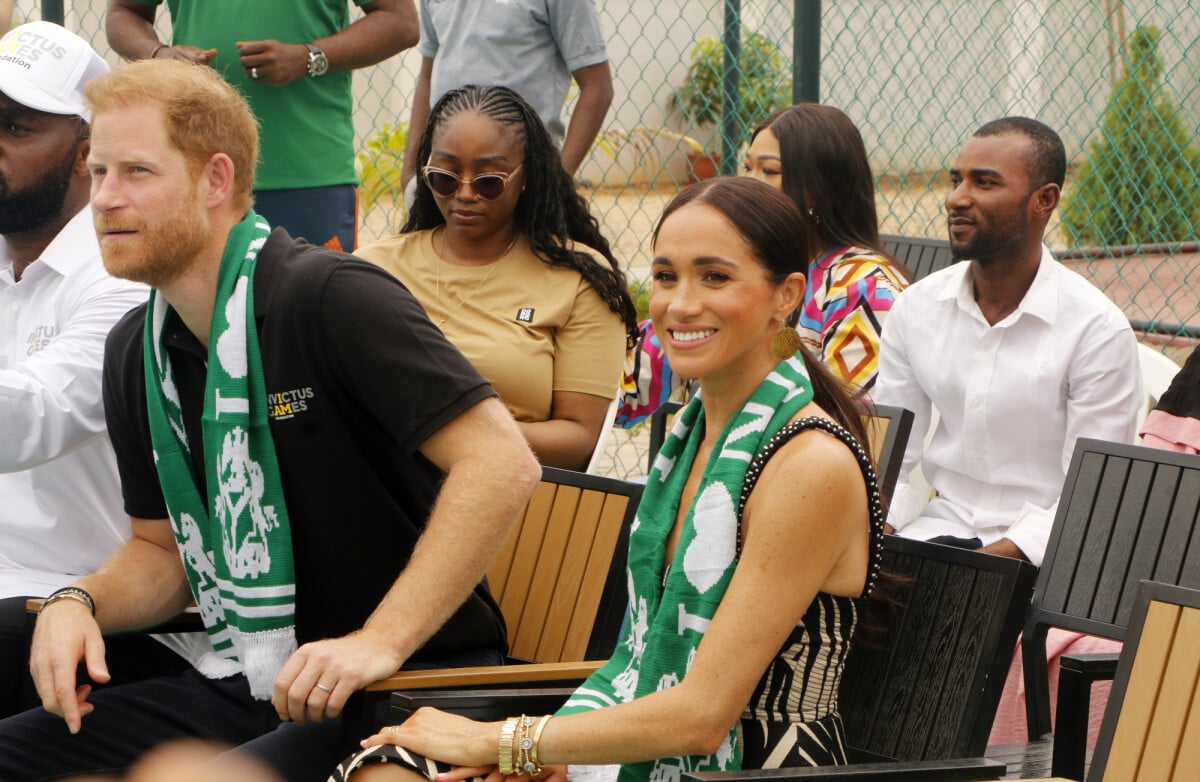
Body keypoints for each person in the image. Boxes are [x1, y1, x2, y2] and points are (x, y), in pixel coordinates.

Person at [0, 58, 541, 782]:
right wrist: (78, 599)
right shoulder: (138, 348)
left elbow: (502, 462)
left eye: (136, 172)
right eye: (98, 173)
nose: (104, 200)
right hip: (251, 674)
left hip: (404, 684)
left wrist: (377, 641)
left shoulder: (330, 297)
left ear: (215, 180)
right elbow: (162, 557)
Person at [330, 177, 887, 781]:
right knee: (386, 769)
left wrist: (509, 742)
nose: (680, 304)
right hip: (640, 737)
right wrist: (543, 752)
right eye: (667, 276)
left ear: (787, 296)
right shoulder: (694, 439)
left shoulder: (809, 464)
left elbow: (703, 716)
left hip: (749, 766)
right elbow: (641, 661)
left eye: (715, 277)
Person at [0, 20, 195, 720]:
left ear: (86, 154)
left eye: (16, 128)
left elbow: (33, 416)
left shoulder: (122, 277)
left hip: (95, 609)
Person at [873, 116, 1142, 566]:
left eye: (985, 183)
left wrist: (977, 572)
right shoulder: (915, 309)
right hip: (938, 530)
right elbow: (891, 464)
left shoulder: (1096, 331)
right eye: (957, 179)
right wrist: (875, 540)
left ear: (1045, 200)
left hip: (1045, 554)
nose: (956, 198)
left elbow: (1090, 496)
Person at [356, 85, 636, 471]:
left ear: (528, 176)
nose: (465, 194)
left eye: (489, 181)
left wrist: (436, 431)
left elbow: (580, 439)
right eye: (445, 178)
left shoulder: (577, 277)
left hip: (510, 494)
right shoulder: (373, 268)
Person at [618, 104, 908, 426]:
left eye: (769, 171)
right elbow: (626, 386)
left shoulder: (865, 287)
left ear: (817, 189)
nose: (751, 184)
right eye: (748, 168)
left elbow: (856, 423)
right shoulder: (740, 270)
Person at [105, 0, 419, 252]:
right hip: (199, 173)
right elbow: (123, 12)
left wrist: (307, 57)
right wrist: (160, 55)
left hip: (309, 173)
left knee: (311, 316)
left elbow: (400, 22)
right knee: (205, 320)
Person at [399, 0, 612, 192]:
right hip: (447, 182)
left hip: (522, 182)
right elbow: (428, 73)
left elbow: (598, 86)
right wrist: (410, 174)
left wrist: (556, 186)